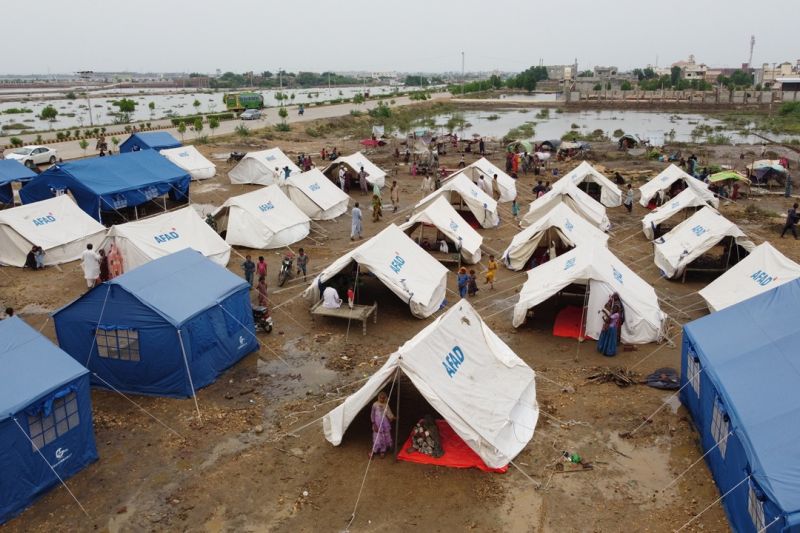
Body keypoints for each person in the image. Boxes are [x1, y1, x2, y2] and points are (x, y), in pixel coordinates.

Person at [370, 391, 395, 459]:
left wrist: (392, 417)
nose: (382, 399)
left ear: (385, 398)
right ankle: (374, 450)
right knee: (377, 437)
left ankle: (382, 451)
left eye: (383, 398)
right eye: (380, 398)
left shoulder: (386, 405)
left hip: (385, 424)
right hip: (377, 424)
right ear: (378, 398)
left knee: (384, 437)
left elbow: (389, 413)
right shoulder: (375, 405)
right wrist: (374, 423)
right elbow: (372, 414)